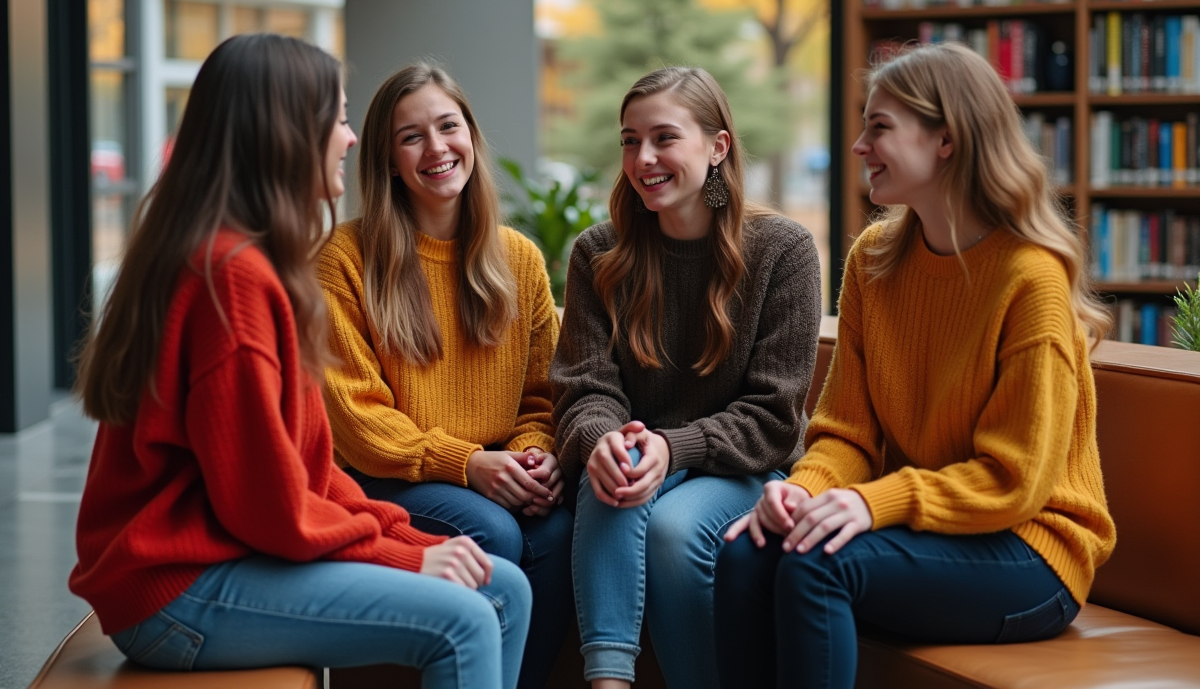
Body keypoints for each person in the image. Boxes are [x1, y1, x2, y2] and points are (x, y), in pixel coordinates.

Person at [69, 34, 531, 689]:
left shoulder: (252, 263)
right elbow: (271, 508)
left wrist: (411, 542)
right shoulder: (230, 278)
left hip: (223, 558)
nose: (348, 138)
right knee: (467, 618)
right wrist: (405, 557)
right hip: (176, 590)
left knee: (504, 586)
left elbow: (307, 471)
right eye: (338, 119)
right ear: (287, 133)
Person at [715, 42, 1117, 689]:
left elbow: (1014, 479)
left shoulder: (1029, 280)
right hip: (930, 531)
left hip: (1031, 552)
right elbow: (846, 431)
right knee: (745, 551)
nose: (857, 146)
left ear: (946, 141)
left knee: (818, 564)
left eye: (880, 127)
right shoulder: (876, 260)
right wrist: (804, 492)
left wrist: (872, 505)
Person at [551, 66, 823, 689]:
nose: (643, 157)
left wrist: (673, 448)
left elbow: (775, 414)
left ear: (717, 146)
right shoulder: (600, 253)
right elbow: (584, 386)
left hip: (745, 469)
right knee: (613, 476)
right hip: (647, 460)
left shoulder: (783, 251)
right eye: (629, 140)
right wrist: (606, 441)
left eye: (664, 138)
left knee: (674, 529)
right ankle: (608, 682)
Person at [317, 62, 570, 689]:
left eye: (448, 126)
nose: (436, 149)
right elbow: (357, 419)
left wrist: (533, 457)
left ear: (472, 138)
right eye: (411, 137)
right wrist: (466, 464)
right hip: (388, 476)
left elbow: (545, 394)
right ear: (388, 161)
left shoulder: (519, 259)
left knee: (566, 524)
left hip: (496, 471)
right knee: (490, 532)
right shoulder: (346, 260)